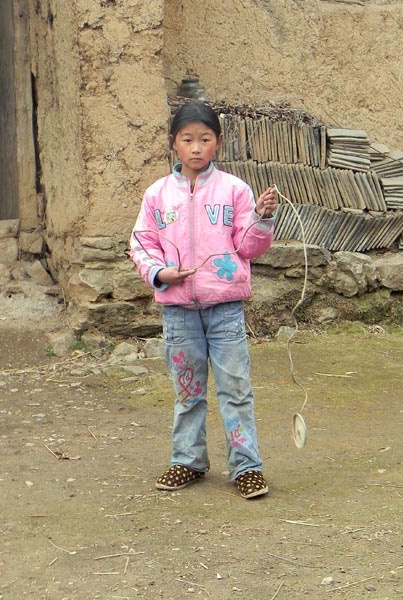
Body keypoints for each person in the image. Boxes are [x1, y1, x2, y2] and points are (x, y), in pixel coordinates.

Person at [130, 101, 278, 499]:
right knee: (187, 390)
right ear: (173, 143)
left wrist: (262, 217)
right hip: (178, 311)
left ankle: (246, 466)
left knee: (235, 389)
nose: (196, 148)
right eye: (187, 139)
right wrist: (160, 273)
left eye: (205, 139)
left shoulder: (235, 190)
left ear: (218, 143)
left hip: (225, 309)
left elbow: (248, 247)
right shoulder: (157, 195)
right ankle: (188, 460)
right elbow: (142, 243)